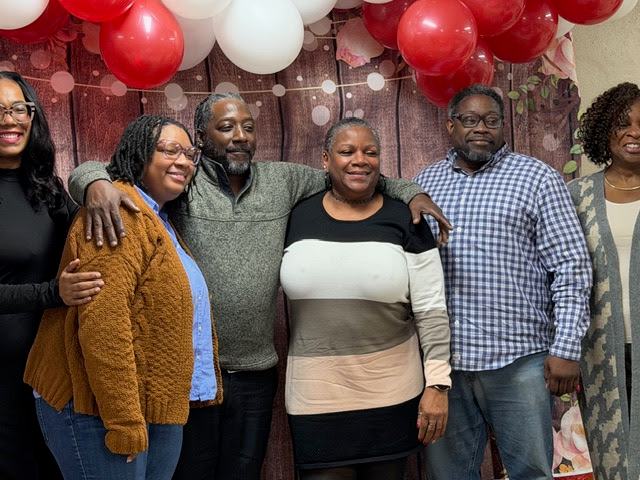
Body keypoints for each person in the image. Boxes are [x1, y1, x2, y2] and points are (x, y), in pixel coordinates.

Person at [63, 93, 450, 479]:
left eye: (248, 127)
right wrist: (95, 183)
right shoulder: (184, 179)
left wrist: (411, 193)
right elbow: (100, 169)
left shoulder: (283, 180)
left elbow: (351, 172)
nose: (240, 136)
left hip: (255, 372)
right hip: (194, 370)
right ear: (201, 137)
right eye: (226, 127)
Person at [23, 114, 221, 479]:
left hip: (149, 403)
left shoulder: (158, 218)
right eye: (169, 150)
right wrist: (124, 421)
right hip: (96, 405)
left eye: (189, 154)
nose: (183, 161)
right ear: (138, 154)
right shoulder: (119, 213)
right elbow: (105, 326)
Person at [413, 84, 592, 480]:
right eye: (470, 120)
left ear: (502, 126)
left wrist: (566, 347)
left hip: (519, 360)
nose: (481, 128)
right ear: (451, 125)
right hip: (446, 367)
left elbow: (571, 266)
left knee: (530, 472)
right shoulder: (426, 182)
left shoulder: (537, 178)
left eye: (491, 120)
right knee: (448, 475)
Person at [280, 118, 451, 480]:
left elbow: (432, 311)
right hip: (314, 399)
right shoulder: (295, 217)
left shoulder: (406, 219)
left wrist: (437, 385)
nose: (360, 160)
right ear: (326, 159)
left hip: (391, 395)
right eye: (347, 151)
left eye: (370, 152)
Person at [0, 71, 103, 479]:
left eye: (18, 108)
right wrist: (53, 293)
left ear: (33, 115)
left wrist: (97, 184)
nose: (9, 120)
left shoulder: (46, 187)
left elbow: (86, 229)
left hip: (49, 374)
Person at [569, 82, 640, 480]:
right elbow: (562, 275)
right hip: (600, 350)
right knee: (610, 452)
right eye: (622, 123)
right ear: (603, 130)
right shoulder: (576, 196)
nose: (634, 132)